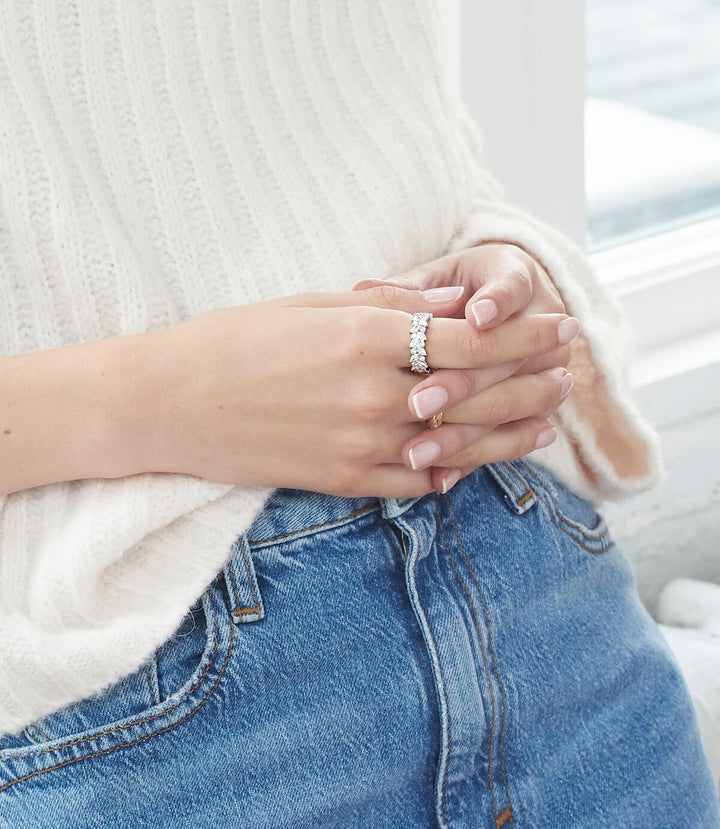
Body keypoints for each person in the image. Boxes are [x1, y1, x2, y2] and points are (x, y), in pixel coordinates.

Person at [0, 1, 717, 826]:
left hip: (538, 596)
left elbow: (404, 141)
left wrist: (504, 284)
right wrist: (161, 398)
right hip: (128, 713)